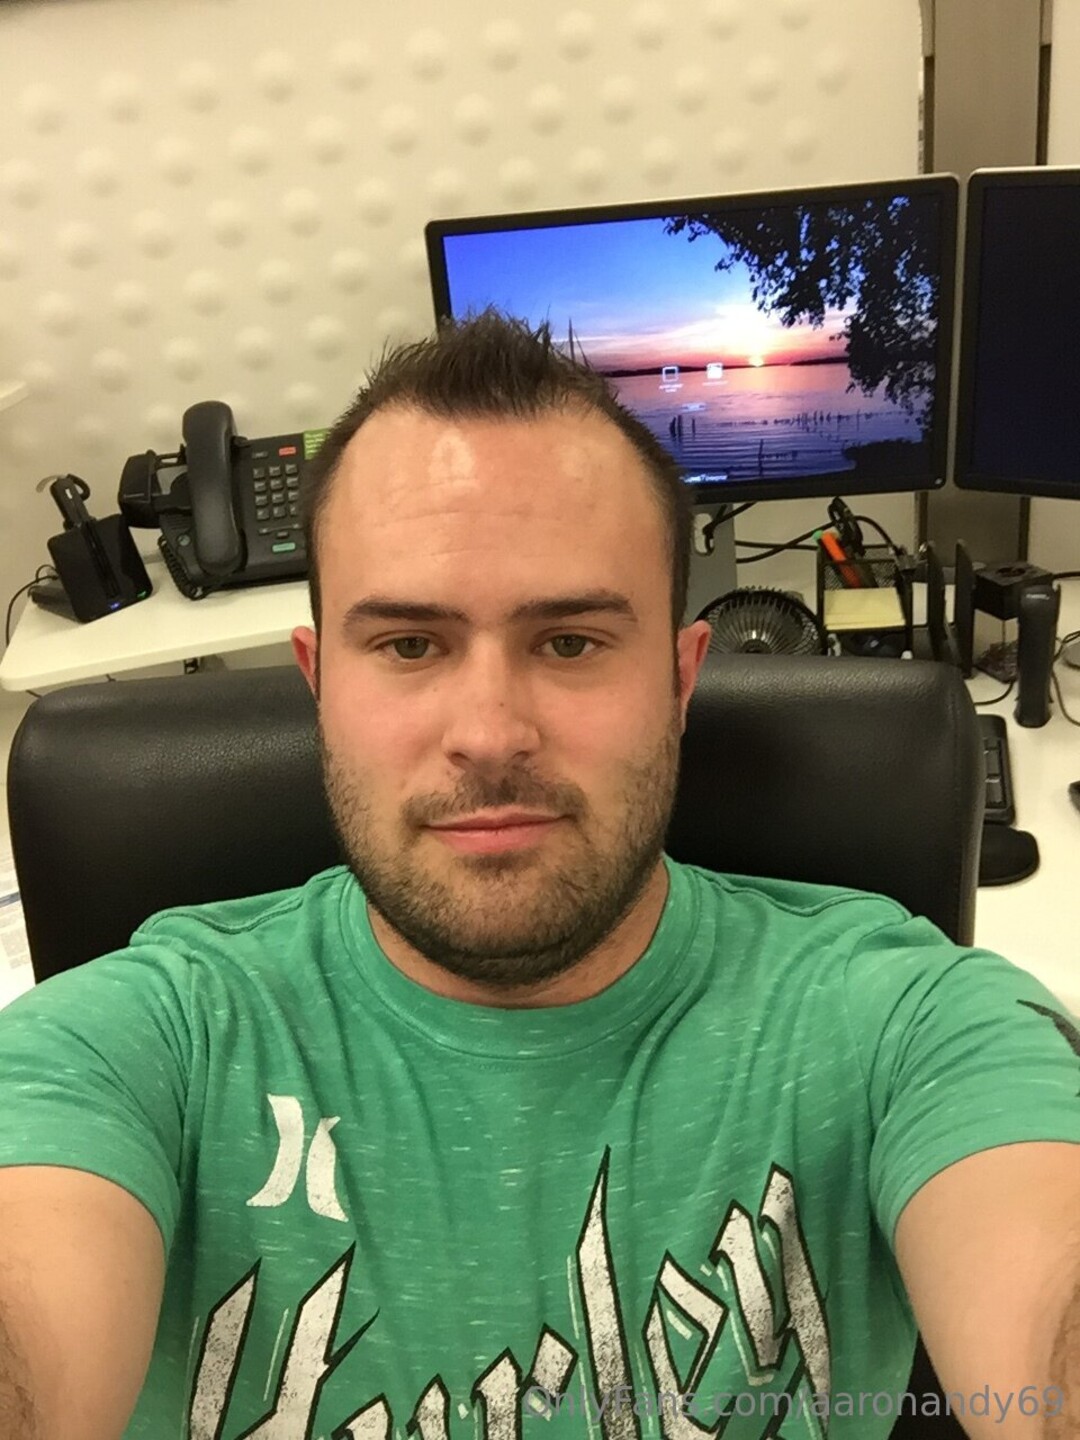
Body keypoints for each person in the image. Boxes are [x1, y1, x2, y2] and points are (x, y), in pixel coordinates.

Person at [0, 311, 1078, 1440]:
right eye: (409, 645)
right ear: (320, 684)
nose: (489, 733)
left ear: (681, 679)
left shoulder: (905, 1023)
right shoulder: (144, 1040)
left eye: (569, 642)